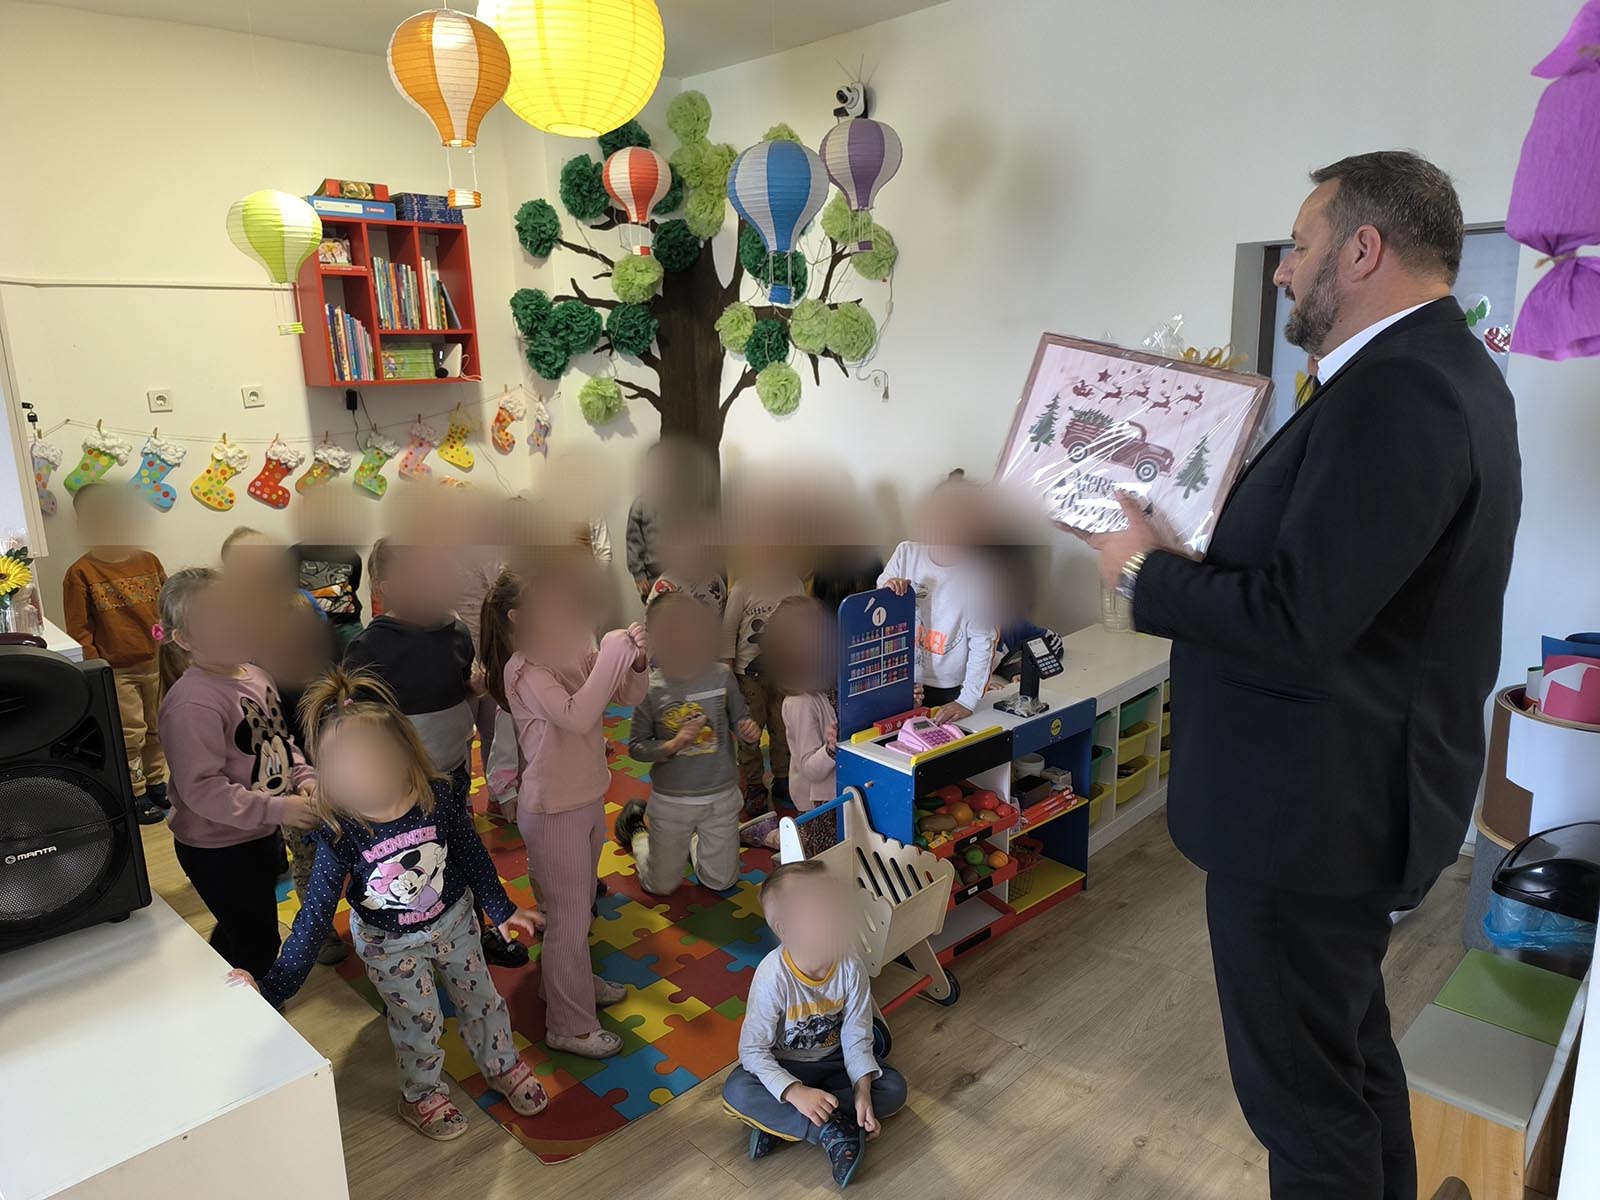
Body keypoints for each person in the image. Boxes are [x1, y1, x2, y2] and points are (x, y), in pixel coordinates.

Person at [1088, 151, 1521, 1200]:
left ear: (1361, 250)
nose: (1283, 270)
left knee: (1305, 1113)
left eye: (1300, 244)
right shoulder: (1433, 373)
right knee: (1350, 1065)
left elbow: (1297, 620)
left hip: (1309, 819)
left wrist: (1144, 574)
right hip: (1338, 808)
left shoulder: (1403, 389)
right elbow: (1334, 579)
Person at [229, 669, 548, 1141]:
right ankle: (420, 1093)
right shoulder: (341, 832)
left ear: (402, 756)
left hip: (455, 923)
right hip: (389, 944)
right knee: (418, 1020)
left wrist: (501, 909)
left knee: (482, 998)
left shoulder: (439, 797)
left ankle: (501, 1064)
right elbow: (314, 918)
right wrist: (272, 987)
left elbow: (471, 854)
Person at [480, 556, 650, 1058]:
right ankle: (569, 1025)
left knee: (576, 915)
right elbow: (577, 716)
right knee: (568, 921)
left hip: (588, 796)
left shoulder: (575, 648)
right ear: (520, 616)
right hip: (553, 811)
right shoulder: (525, 670)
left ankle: (568, 984)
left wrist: (635, 661)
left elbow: (626, 694)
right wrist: (614, 650)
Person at [344, 538, 527, 970]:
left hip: (454, 768)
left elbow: (458, 690)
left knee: (462, 849)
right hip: (405, 783)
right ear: (388, 586)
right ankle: (413, 938)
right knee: (423, 860)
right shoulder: (370, 647)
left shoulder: (455, 630)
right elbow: (359, 721)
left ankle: (474, 930)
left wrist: (474, 688)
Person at [155, 567, 321, 976]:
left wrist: (305, 778)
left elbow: (279, 742)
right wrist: (279, 809)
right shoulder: (192, 704)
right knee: (258, 940)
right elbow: (202, 790)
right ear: (185, 639)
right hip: (218, 848)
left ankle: (226, 977)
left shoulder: (257, 675)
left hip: (259, 832)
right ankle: (257, 1001)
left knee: (247, 926)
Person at [722, 860, 907, 1188]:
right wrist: (794, 1091)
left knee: (893, 1089)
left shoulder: (851, 966)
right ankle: (828, 1129)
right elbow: (752, 1051)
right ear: (785, 929)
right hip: (786, 1064)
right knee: (737, 1090)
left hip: (835, 1061)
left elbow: (856, 1035)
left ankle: (783, 1124)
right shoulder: (772, 976)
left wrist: (862, 1090)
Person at [221, 526, 346, 967]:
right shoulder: (231, 625)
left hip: (333, 748)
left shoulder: (306, 602)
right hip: (285, 766)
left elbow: (333, 657)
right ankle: (318, 929)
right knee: (308, 851)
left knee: (353, 838)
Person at [613, 592, 761, 894]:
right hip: (672, 801)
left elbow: (739, 717)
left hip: (720, 796)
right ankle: (638, 831)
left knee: (721, 881)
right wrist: (673, 744)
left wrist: (746, 729)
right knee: (659, 885)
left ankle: (695, 841)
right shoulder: (651, 689)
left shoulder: (721, 676)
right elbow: (637, 747)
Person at [61, 482, 169, 823]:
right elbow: (79, 630)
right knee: (130, 733)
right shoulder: (81, 573)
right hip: (117, 671)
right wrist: (98, 670)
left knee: (158, 728)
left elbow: (168, 607)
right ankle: (135, 792)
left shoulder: (149, 561)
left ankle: (157, 783)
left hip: (156, 663)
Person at [878, 475, 997, 724]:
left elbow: (983, 641)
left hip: (948, 688)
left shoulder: (980, 577)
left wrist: (967, 700)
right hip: (901, 680)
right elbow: (877, 609)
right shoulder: (906, 553)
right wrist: (888, 591)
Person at [721, 546, 805, 815]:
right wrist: (728, 673)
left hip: (784, 673)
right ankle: (754, 784)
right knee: (750, 731)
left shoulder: (794, 585)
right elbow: (728, 632)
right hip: (749, 677)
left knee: (783, 728)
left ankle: (783, 778)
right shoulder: (742, 589)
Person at [765, 595, 839, 815]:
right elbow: (811, 770)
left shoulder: (832, 685)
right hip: (819, 805)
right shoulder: (799, 703)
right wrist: (832, 748)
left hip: (841, 792)